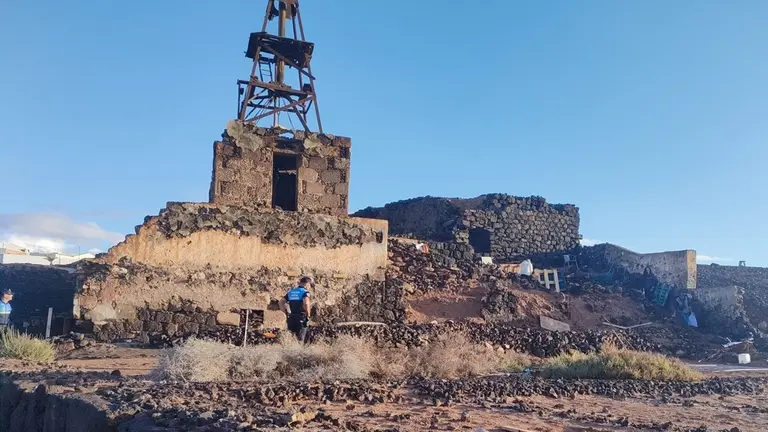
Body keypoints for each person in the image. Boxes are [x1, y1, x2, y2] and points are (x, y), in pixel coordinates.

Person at [278, 276, 312, 342]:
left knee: (292, 338)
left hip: (291, 317)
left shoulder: (291, 292)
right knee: (300, 339)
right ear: (307, 284)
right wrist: (308, 315)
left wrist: (285, 313)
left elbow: (281, 302)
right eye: (310, 285)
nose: (309, 287)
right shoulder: (305, 292)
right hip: (301, 317)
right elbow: (306, 303)